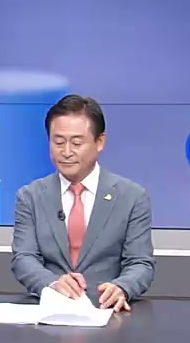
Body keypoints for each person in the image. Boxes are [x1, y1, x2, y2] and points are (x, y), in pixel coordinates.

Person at [11, 94, 155, 310]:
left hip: (107, 312)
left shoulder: (132, 196)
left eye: (77, 143)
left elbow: (140, 262)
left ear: (100, 142)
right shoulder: (30, 196)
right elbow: (23, 258)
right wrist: (52, 283)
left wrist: (122, 287)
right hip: (49, 312)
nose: (66, 152)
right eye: (58, 142)